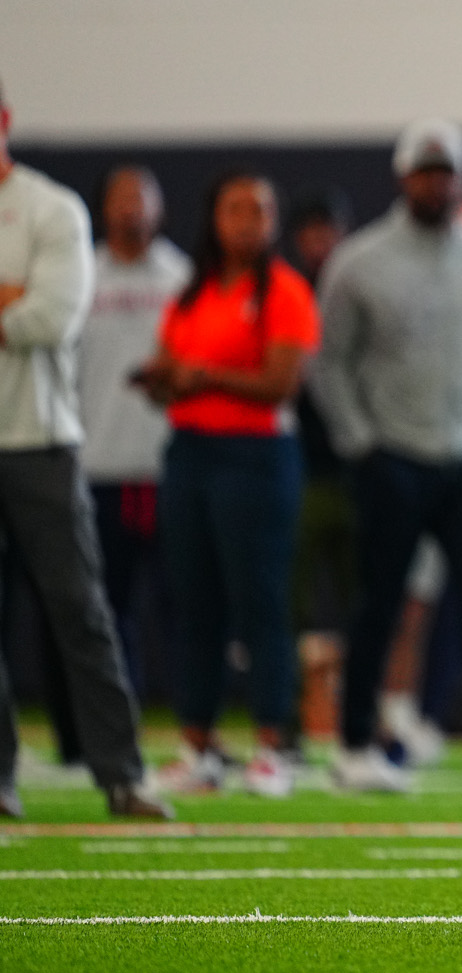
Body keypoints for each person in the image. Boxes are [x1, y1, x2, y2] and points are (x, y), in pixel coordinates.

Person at [312, 119, 462, 793]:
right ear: (403, 177)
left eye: (446, 172)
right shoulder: (361, 261)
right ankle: (356, 743)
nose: (436, 183)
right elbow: (332, 363)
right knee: (379, 605)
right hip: (393, 457)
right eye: (425, 172)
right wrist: (361, 443)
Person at [0, 80, 170, 820]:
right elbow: (22, 306)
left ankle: (122, 772)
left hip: (40, 440)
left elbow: (52, 316)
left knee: (81, 610)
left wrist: (22, 301)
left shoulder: (51, 207)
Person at [139, 171, 319, 797]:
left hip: (256, 456)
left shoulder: (286, 293)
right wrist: (164, 378)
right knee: (195, 603)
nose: (249, 221)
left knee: (259, 601)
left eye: (262, 210)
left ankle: (276, 744)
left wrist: (202, 376)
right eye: (236, 208)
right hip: (191, 451)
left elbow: (280, 384)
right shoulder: (192, 294)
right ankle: (200, 746)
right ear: (214, 218)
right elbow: (172, 366)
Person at [77, 165, 190, 702]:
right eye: (122, 197)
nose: (132, 208)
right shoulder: (81, 276)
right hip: (96, 465)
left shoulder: (181, 279)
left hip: (170, 467)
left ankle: (191, 722)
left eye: (143, 198)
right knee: (104, 607)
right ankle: (108, 721)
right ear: (104, 208)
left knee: (181, 605)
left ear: (161, 209)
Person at [285, 189, 354, 738]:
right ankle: (288, 713)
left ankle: (363, 711)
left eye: (328, 231)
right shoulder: (286, 293)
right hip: (299, 468)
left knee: (366, 597)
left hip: (357, 469)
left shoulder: (360, 291)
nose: (320, 244)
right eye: (311, 233)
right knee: (293, 600)